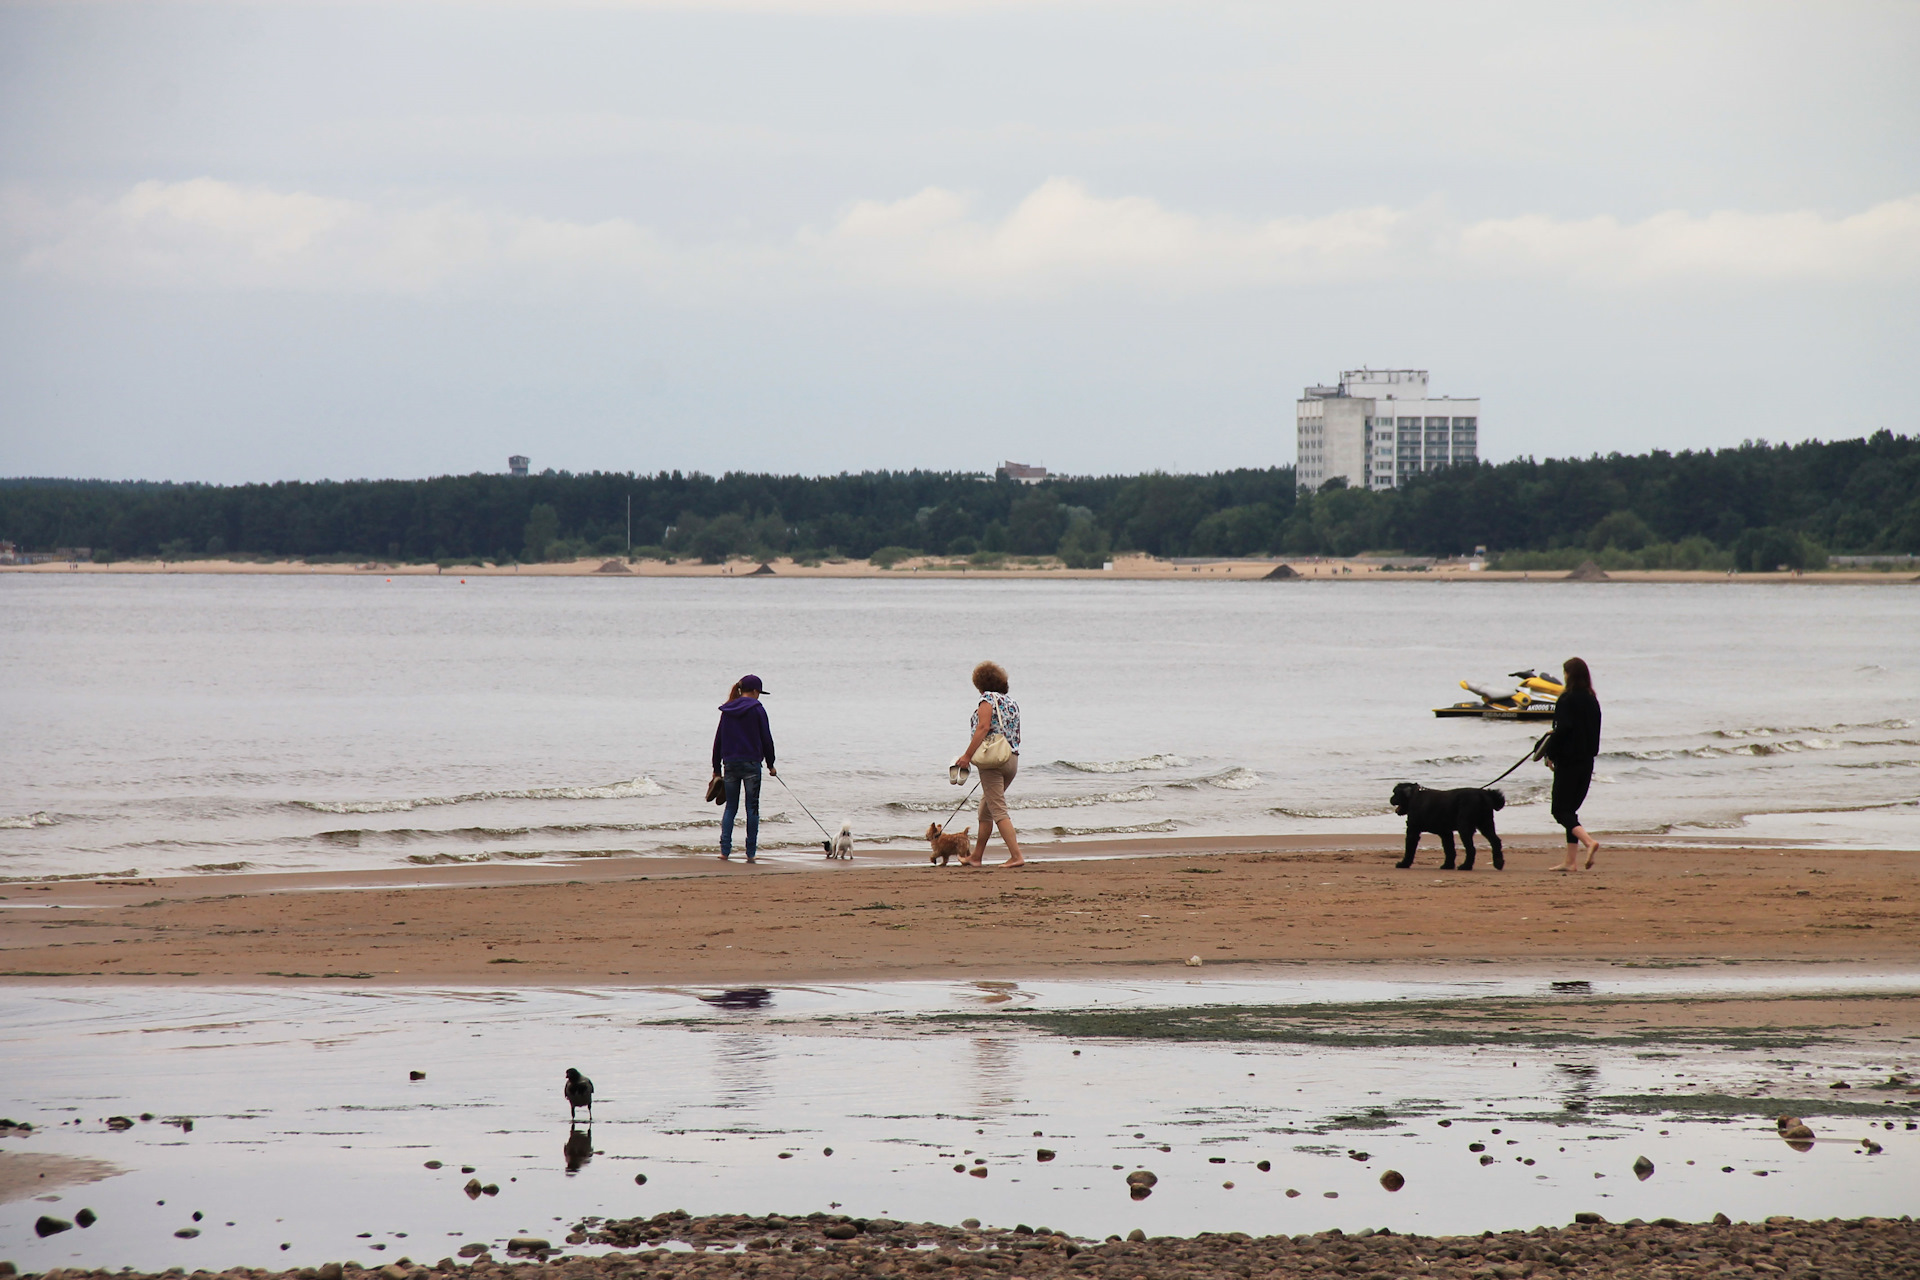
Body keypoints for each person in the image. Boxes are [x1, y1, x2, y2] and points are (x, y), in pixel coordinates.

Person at [955, 661, 1025, 869]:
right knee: (986, 810)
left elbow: (983, 727)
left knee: (998, 809)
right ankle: (976, 856)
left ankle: (1016, 856)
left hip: (993, 761)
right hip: (1011, 759)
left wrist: (967, 756)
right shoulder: (1011, 702)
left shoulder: (986, 700)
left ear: (979, 683)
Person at [1545, 656, 1602, 871]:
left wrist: (1550, 753)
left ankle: (1589, 842)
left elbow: (1563, 729)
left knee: (1560, 811)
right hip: (1587, 761)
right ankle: (1570, 861)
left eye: (1565, 673)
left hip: (1568, 762)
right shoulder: (1592, 699)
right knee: (1571, 811)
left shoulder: (1566, 699)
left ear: (1570, 676)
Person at [711, 674, 776, 863]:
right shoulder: (758, 709)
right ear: (755, 691)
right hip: (751, 765)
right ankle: (751, 852)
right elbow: (766, 739)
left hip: (730, 764)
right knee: (752, 808)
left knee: (731, 807)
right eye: (759, 693)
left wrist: (716, 768)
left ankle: (725, 851)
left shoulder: (727, 710)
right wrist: (771, 764)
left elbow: (718, 741)